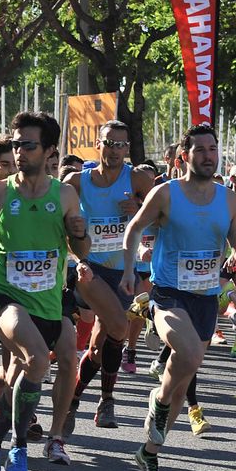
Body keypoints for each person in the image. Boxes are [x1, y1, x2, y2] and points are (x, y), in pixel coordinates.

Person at [0, 112, 88, 471]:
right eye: (15, 144)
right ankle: (20, 446)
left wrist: (79, 233)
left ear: (49, 151)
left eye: (28, 145)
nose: (19, 151)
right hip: (3, 294)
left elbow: (82, 249)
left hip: (47, 299)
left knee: (23, 373)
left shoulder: (64, 194)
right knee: (38, 359)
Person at [122, 125, 236, 471]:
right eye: (201, 150)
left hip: (205, 299)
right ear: (184, 157)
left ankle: (150, 452)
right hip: (168, 294)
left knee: (180, 386)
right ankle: (158, 392)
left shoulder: (229, 199)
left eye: (213, 149)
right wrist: (130, 269)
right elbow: (134, 228)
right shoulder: (166, 193)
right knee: (190, 354)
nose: (209, 156)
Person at [64, 120, 155, 428]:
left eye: (121, 145)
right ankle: (107, 401)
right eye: (109, 143)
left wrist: (138, 208)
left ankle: (73, 398)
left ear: (127, 148)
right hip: (90, 269)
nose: (115, 150)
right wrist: (77, 257)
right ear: (98, 145)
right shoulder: (77, 182)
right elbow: (62, 223)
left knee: (98, 346)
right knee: (119, 326)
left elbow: (159, 217)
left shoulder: (139, 178)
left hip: (123, 271)